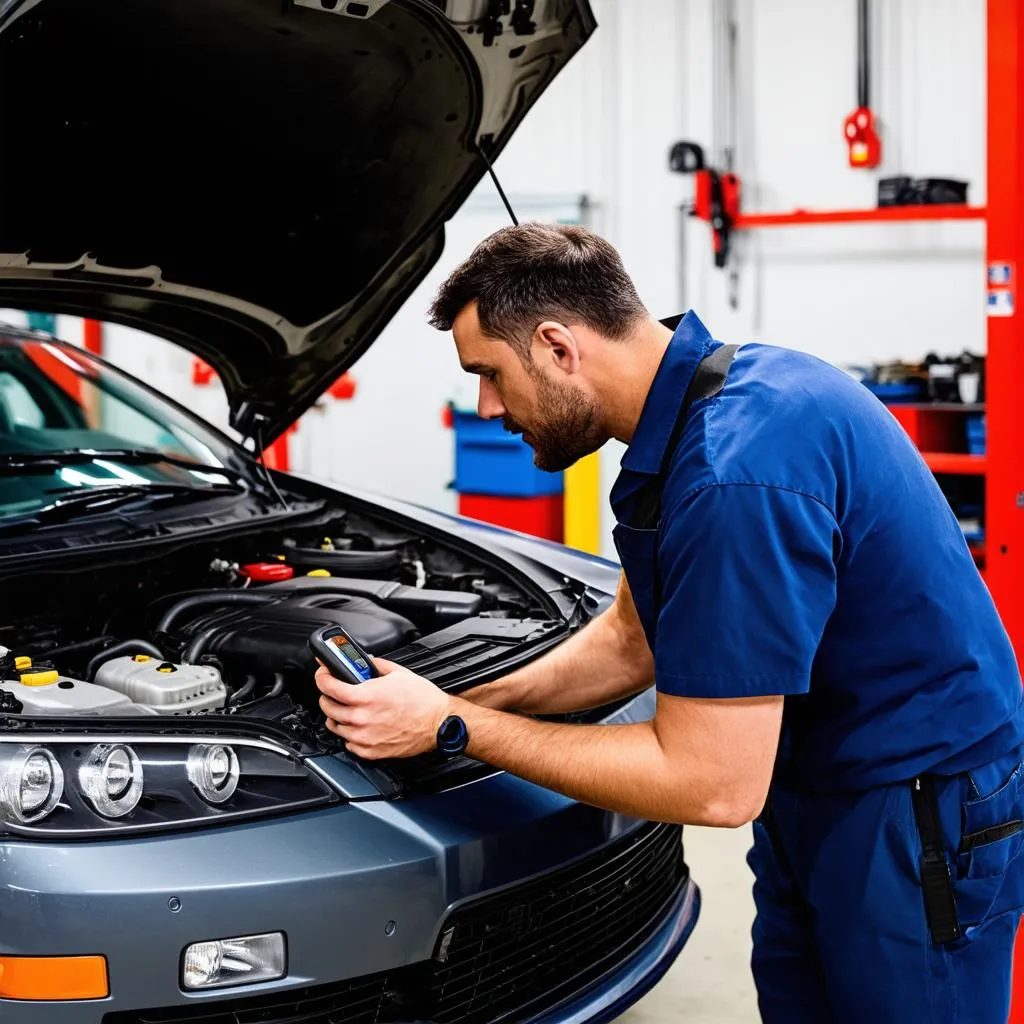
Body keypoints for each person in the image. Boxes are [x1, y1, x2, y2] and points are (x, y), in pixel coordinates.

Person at [315, 222, 1024, 1022]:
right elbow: (630, 642)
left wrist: (454, 730)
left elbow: (714, 785)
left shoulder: (732, 475)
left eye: (489, 373)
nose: (486, 406)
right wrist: (478, 697)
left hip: (914, 803)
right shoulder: (699, 412)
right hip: (821, 784)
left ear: (557, 346)